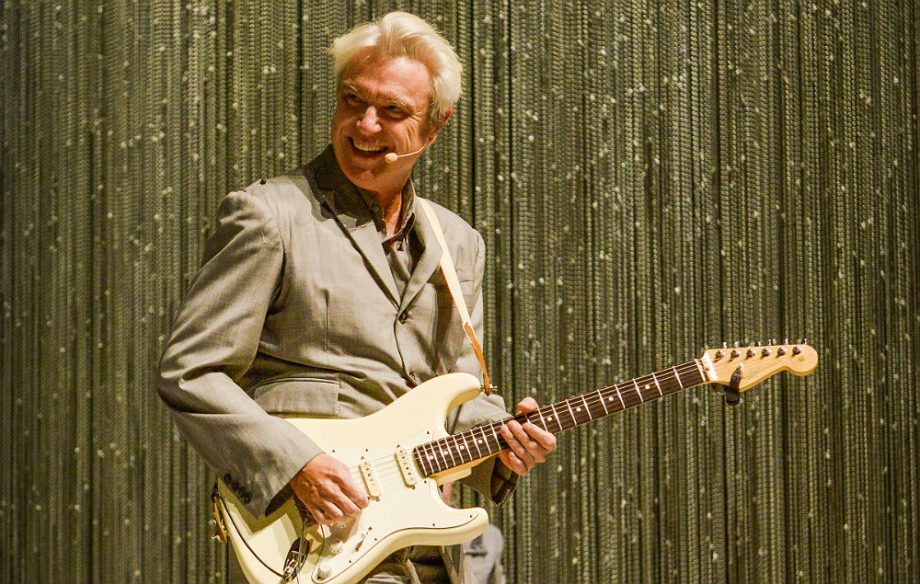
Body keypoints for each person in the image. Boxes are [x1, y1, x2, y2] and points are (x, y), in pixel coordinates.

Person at [157, 11, 556, 583]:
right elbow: (191, 370)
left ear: (435, 125)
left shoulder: (459, 242)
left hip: (421, 540)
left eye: (392, 110)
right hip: (318, 531)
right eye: (353, 100)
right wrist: (296, 464)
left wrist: (505, 444)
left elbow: (457, 394)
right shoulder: (268, 215)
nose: (365, 125)